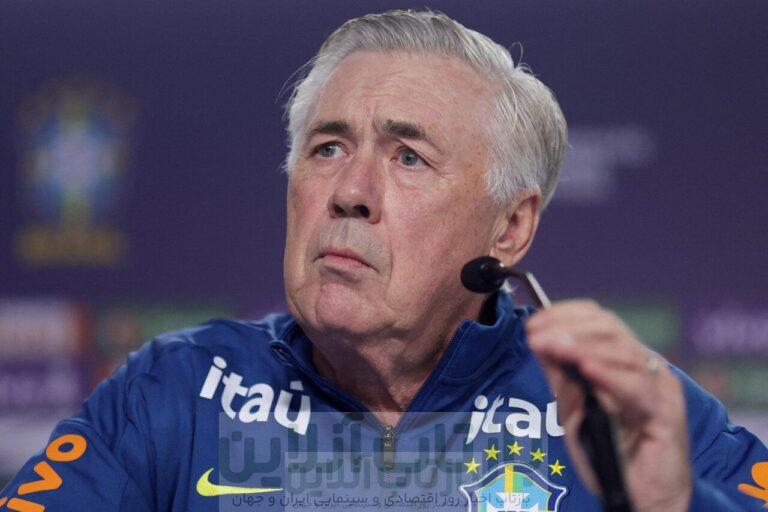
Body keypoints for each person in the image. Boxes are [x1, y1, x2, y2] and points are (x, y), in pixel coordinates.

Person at [2, 10, 766, 512]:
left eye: (408, 157)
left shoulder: (621, 412)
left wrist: (673, 505)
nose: (350, 193)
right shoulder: (175, 392)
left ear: (509, 227)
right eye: (328, 147)